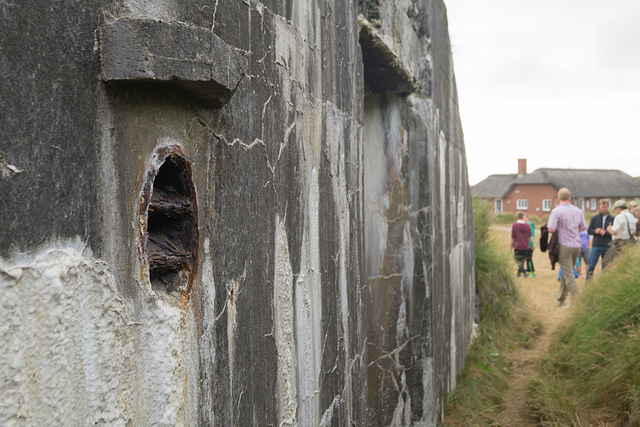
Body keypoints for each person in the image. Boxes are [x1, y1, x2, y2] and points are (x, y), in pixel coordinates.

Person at [547, 188, 586, 307]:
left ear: (558, 199)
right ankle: (560, 299)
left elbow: (551, 229)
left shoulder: (556, 211)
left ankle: (578, 301)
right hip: (576, 245)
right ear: (569, 198)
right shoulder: (578, 210)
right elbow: (583, 227)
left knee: (569, 274)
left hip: (564, 246)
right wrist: (573, 229)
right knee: (566, 272)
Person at [586, 199, 614, 281]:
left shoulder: (612, 219)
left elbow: (614, 232)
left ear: (607, 207)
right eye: (602, 206)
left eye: (605, 207)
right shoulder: (594, 218)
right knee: (591, 265)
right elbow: (589, 231)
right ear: (599, 207)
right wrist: (595, 231)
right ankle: (588, 283)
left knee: (606, 266)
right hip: (596, 245)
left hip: (607, 246)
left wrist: (606, 232)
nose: (603, 208)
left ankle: (605, 282)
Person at [511, 211, 532, 278]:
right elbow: (530, 235)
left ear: (517, 217)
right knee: (522, 260)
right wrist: (534, 244)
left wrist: (511, 245)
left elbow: (513, 236)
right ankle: (518, 273)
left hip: (518, 245)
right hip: (525, 245)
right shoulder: (527, 225)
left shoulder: (514, 225)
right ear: (523, 217)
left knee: (517, 259)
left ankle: (524, 271)